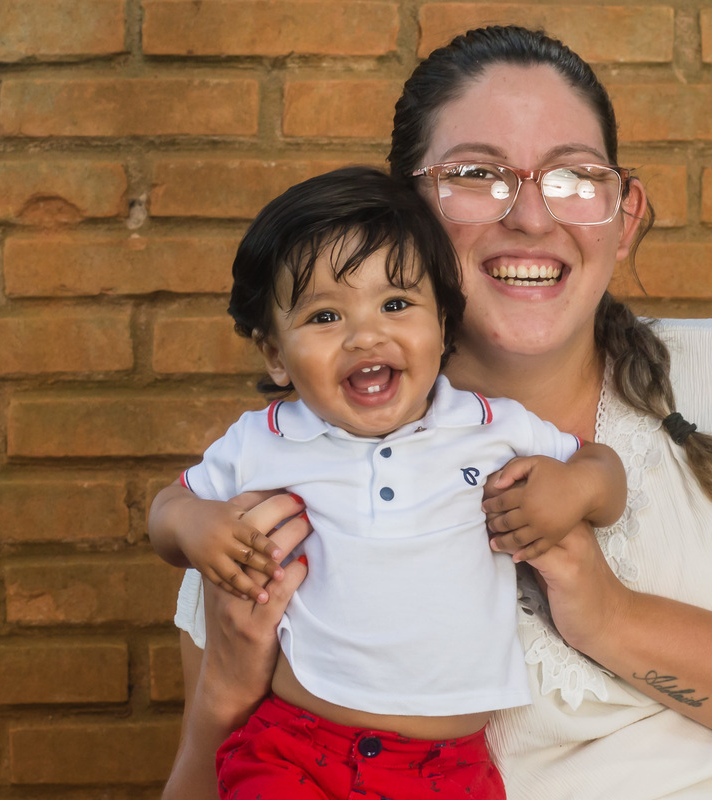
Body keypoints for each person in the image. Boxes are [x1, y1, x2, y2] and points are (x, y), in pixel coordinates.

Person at [158, 25, 712, 800]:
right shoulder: (281, 485)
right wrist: (224, 697)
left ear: (624, 215)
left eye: (574, 178)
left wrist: (611, 618)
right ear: (403, 216)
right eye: (476, 174)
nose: (532, 217)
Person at [149, 165, 628, 799]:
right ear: (275, 355)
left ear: (442, 326)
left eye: (397, 305)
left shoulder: (488, 427)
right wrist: (194, 524)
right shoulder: (265, 439)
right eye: (324, 317)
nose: (365, 334)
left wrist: (573, 491)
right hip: (297, 748)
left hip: (449, 769)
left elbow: (606, 472)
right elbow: (167, 509)